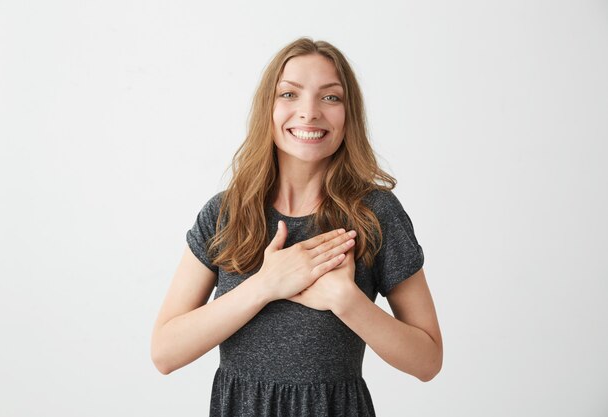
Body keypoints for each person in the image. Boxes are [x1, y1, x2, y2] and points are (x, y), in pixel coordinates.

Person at [151, 37, 443, 416]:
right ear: (267, 108)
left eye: (330, 97)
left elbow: (428, 361)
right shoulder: (226, 213)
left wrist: (346, 301)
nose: (309, 113)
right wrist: (266, 285)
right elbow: (165, 353)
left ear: (348, 114)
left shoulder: (374, 214)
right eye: (289, 94)